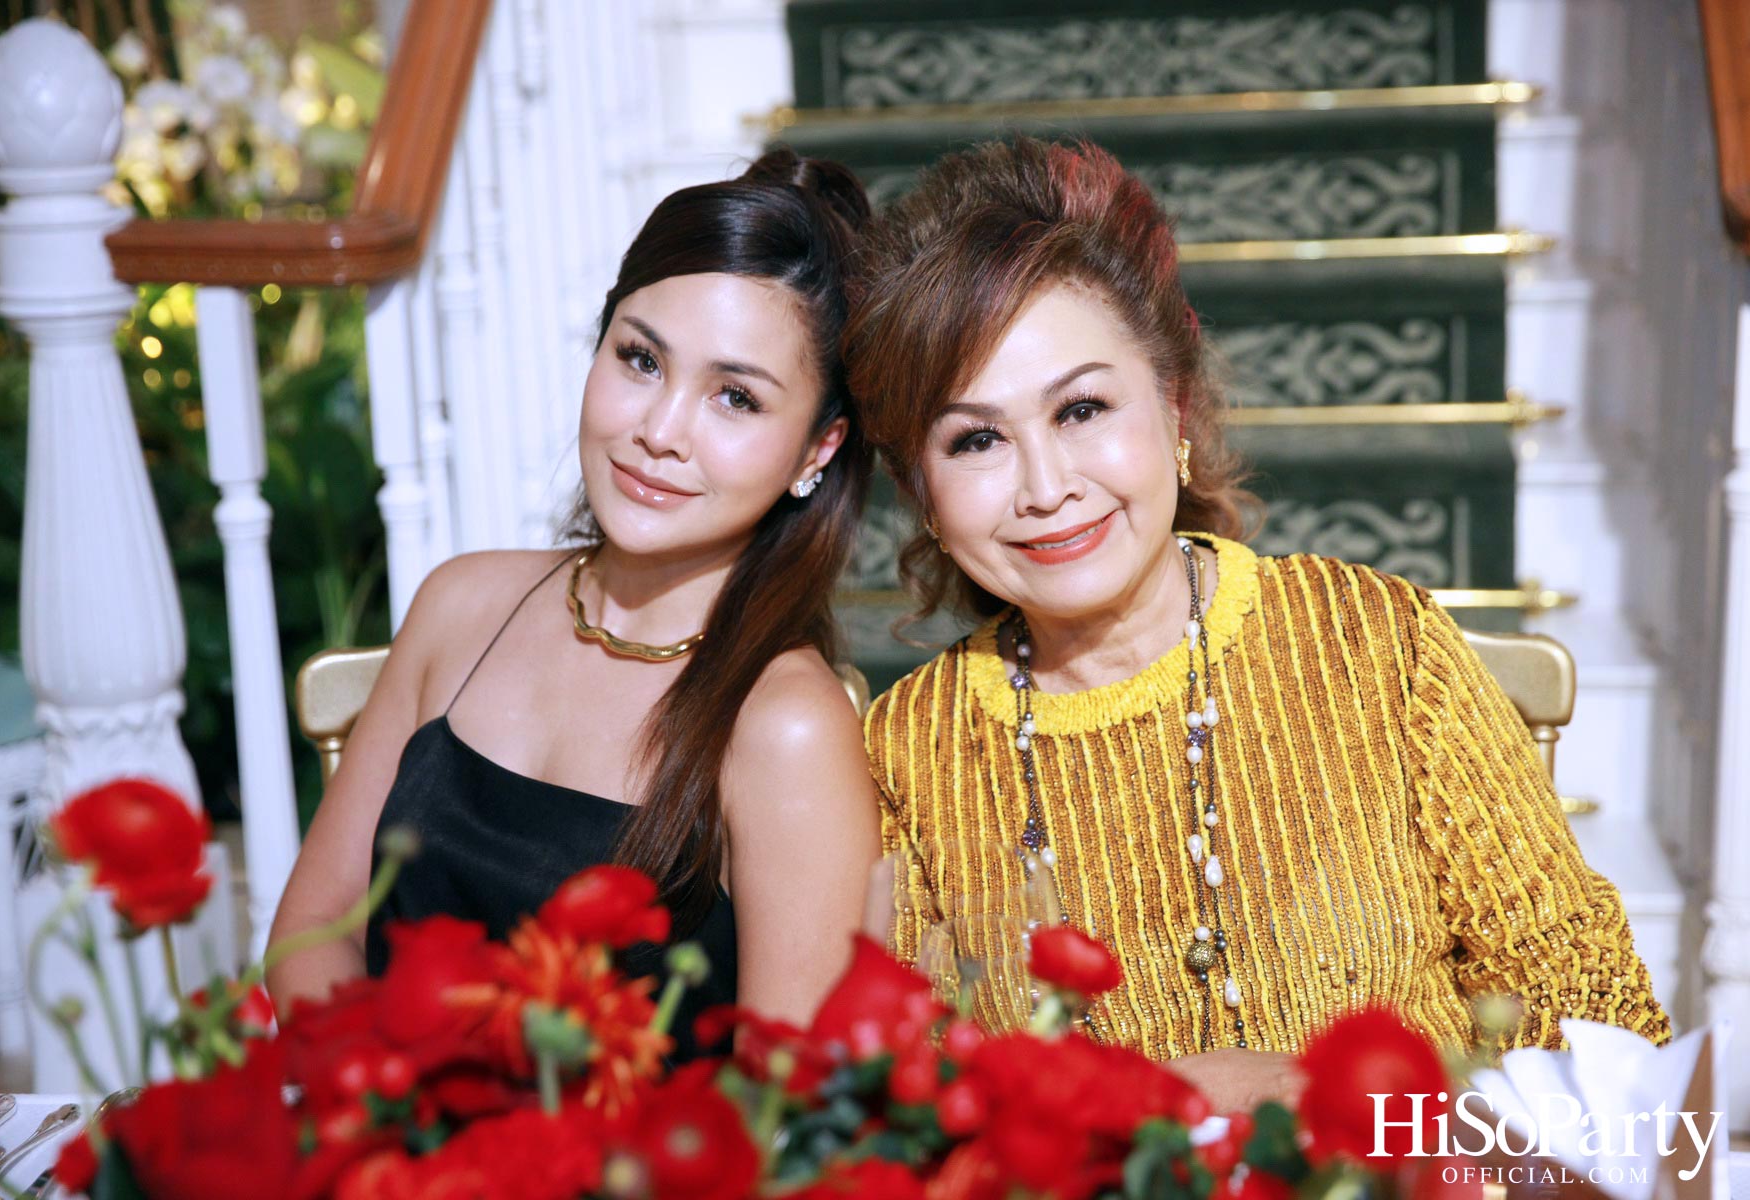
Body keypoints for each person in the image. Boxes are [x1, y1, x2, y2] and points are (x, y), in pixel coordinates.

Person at [845, 137, 1669, 1111]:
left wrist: (1328, 1106)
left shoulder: (1378, 646)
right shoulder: (907, 755)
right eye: (976, 438)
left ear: (1175, 407)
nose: (1047, 486)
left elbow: (1599, 1034)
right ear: (922, 494)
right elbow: (917, 1107)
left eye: (1082, 409)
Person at [268, 151, 883, 1058]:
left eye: (736, 398)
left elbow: (780, 1105)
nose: (658, 432)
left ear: (816, 451)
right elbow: (317, 927)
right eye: (640, 359)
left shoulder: (785, 724)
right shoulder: (461, 607)